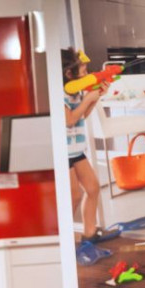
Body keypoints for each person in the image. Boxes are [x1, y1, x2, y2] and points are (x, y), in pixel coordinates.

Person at [61, 48, 117, 243]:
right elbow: (69, 120)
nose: (87, 75)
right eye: (83, 71)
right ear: (69, 74)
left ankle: (89, 234)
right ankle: (63, 239)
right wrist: (87, 99)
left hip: (76, 149)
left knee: (93, 188)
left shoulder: (76, 92)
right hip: (64, 153)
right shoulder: (59, 94)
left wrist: (96, 97)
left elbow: (82, 115)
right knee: (74, 196)